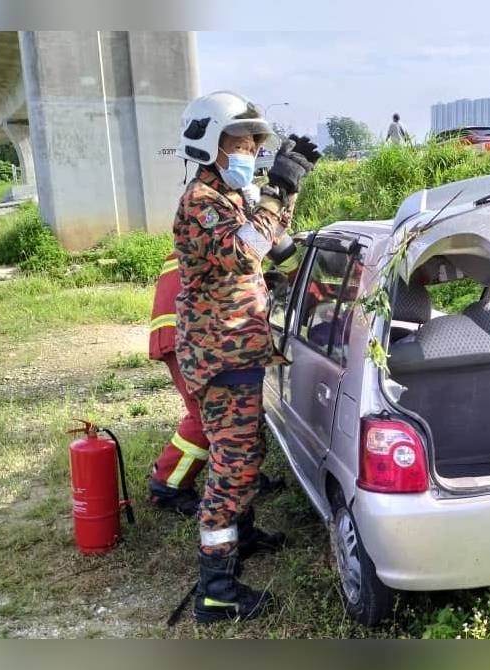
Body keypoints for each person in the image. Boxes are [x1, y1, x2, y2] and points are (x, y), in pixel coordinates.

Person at [173, 90, 320, 624]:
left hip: (239, 346)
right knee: (232, 469)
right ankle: (217, 591)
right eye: (239, 142)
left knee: (246, 448)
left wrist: (288, 194)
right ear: (211, 144)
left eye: (255, 143)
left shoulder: (229, 197)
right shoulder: (200, 203)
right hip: (221, 352)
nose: (249, 152)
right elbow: (241, 252)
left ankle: (244, 535)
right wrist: (277, 189)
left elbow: (271, 244)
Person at [146, 249, 286, 517]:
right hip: (189, 336)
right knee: (206, 415)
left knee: (239, 417)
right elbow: (281, 253)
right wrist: (294, 270)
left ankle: (242, 480)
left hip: (197, 332)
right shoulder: (236, 235)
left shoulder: (214, 235)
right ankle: (167, 484)